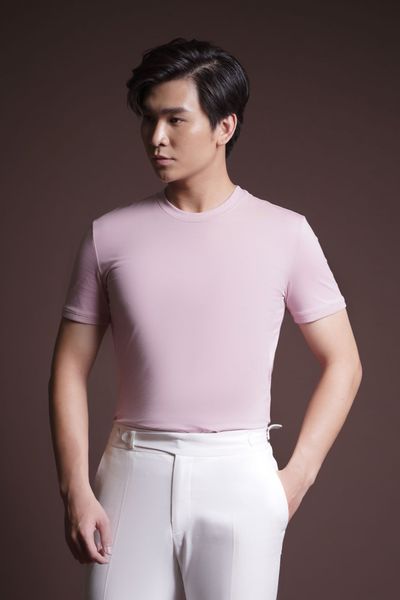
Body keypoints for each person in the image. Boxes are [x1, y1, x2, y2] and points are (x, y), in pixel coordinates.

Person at [48, 37, 362, 600]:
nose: (156, 137)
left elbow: (344, 362)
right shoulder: (108, 235)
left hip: (240, 476)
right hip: (131, 473)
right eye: (148, 120)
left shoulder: (286, 233)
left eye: (175, 119)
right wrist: (75, 489)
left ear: (224, 126)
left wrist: (296, 477)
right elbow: (69, 368)